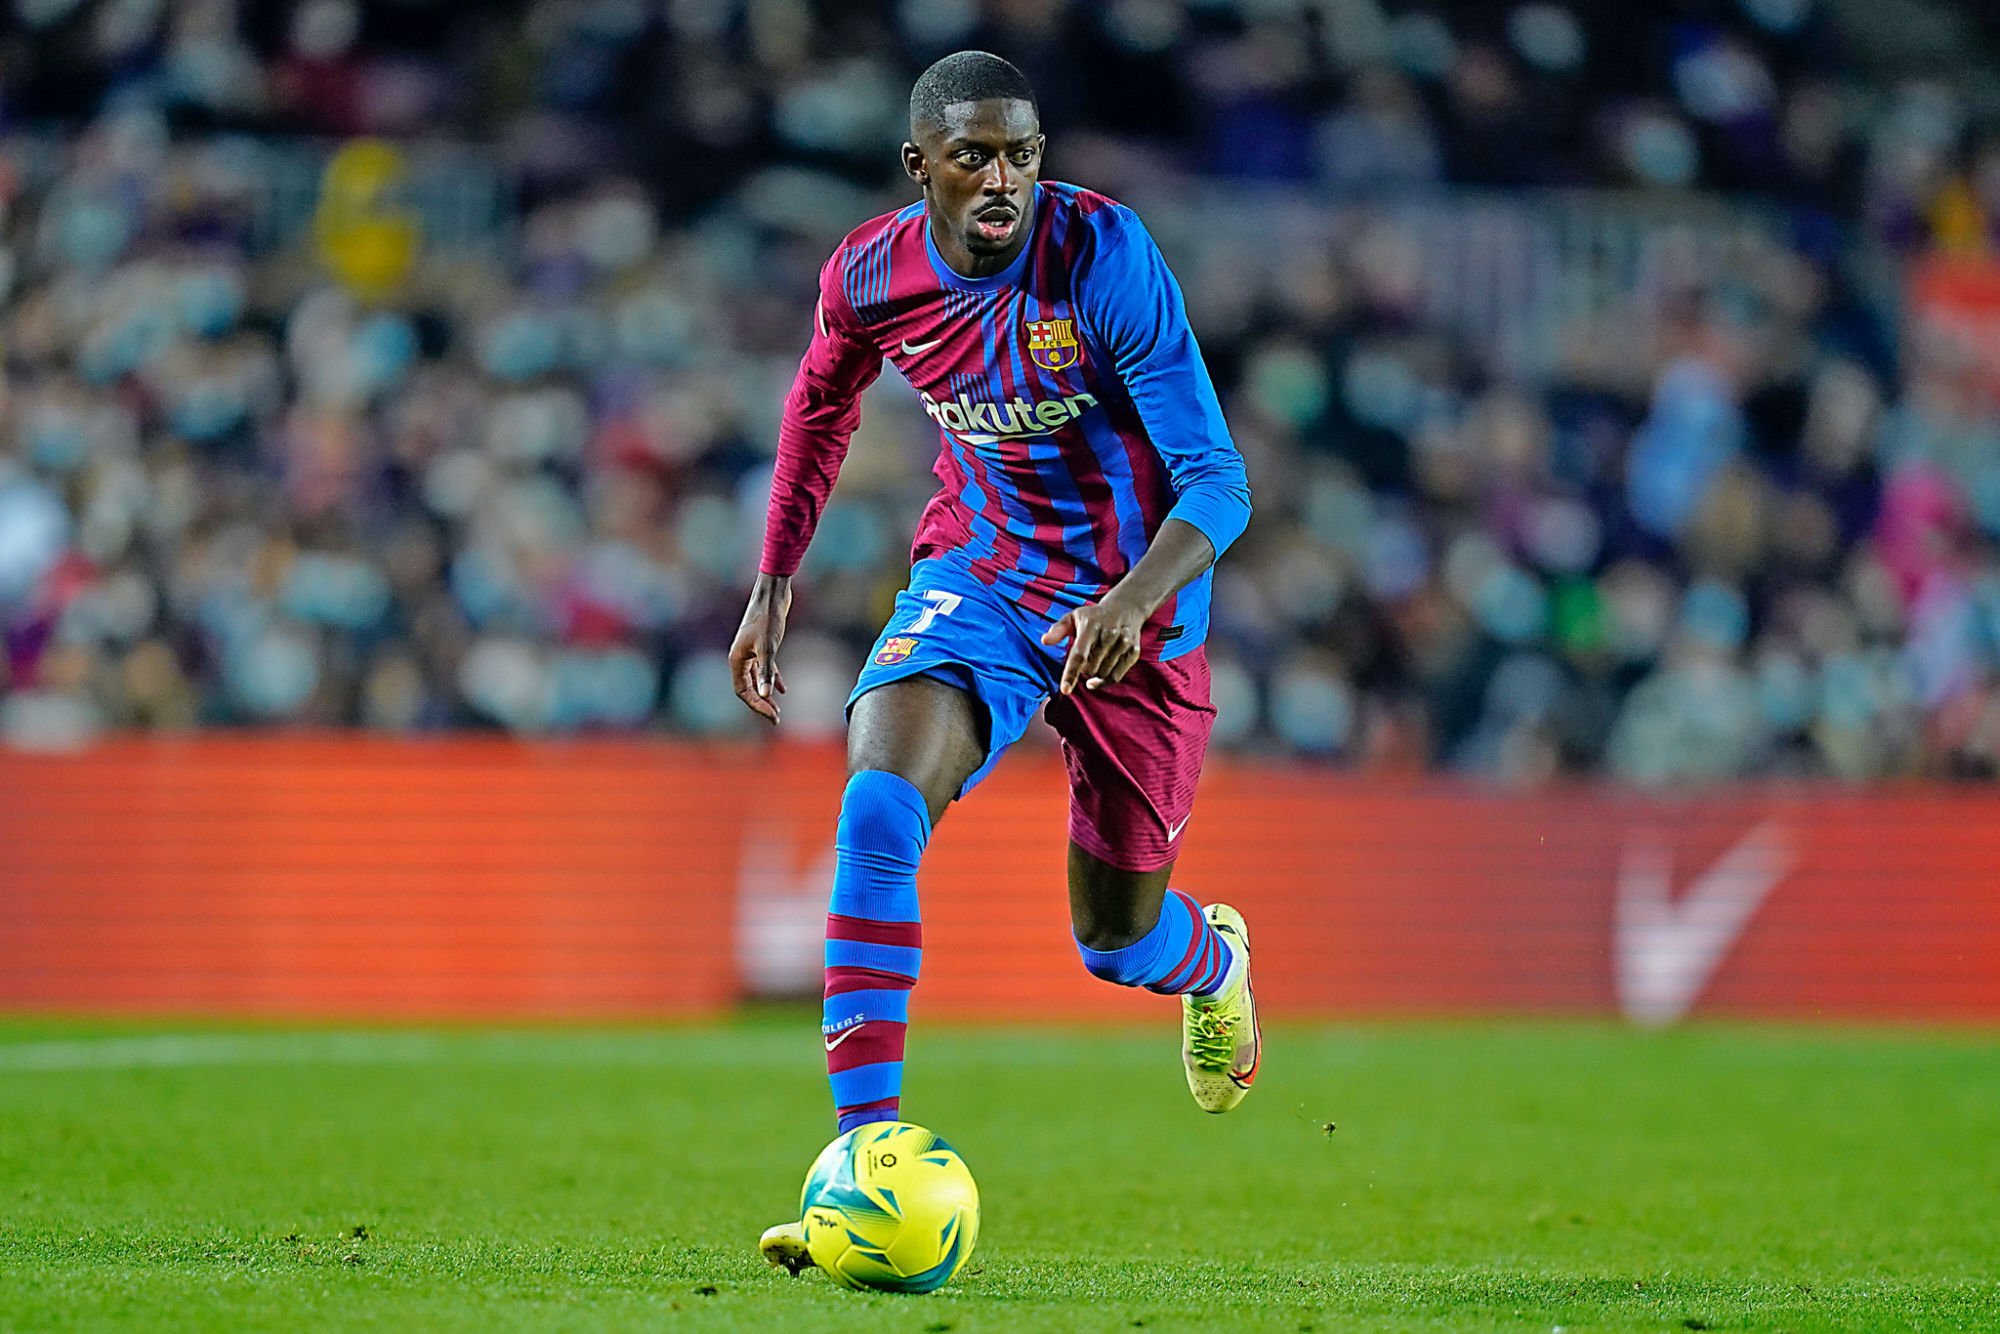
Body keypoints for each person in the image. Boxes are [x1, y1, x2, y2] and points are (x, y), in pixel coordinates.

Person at [736, 51, 1257, 1274]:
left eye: (1021, 153)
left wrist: (1129, 600)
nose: (1002, 179)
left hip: (1139, 613)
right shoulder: (869, 275)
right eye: (972, 156)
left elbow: (1218, 482)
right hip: (982, 573)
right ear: (918, 165)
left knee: (1115, 942)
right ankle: (863, 1159)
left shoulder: (1102, 255)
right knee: (875, 803)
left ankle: (1214, 962)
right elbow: (818, 405)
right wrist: (772, 577)